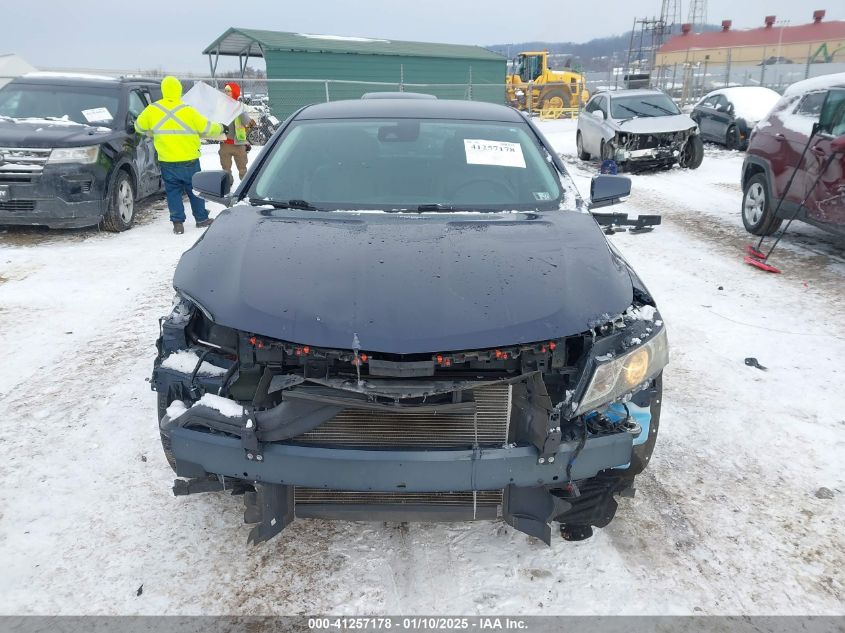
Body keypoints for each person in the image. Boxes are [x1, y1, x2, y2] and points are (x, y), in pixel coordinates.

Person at [134, 76, 225, 234]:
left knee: (172, 192)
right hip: (189, 160)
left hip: (167, 160)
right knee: (195, 190)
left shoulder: (152, 110)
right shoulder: (187, 110)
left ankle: (177, 223)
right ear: (179, 90)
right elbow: (207, 127)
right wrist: (221, 128)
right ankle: (201, 219)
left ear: (163, 90)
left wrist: (152, 132)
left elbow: (139, 127)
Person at [218, 82, 255, 186]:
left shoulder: (239, 108)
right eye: (225, 90)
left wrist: (245, 131)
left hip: (238, 145)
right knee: (226, 169)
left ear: (234, 92)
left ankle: (245, 188)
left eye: (228, 90)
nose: (226, 92)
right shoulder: (221, 107)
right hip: (225, 144)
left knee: (242, 169)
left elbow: (249, 123)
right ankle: (228, 187)